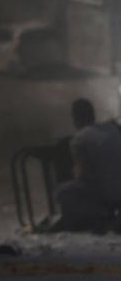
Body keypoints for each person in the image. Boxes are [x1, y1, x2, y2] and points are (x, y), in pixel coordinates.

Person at [50, 98, 121, 232]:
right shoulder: (112, 129)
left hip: (110, 194)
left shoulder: (79, 139)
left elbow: (82, 175)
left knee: (62, 192)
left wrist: (73, 172)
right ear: (92, 114)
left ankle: (97, 221)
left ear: (75, 118)